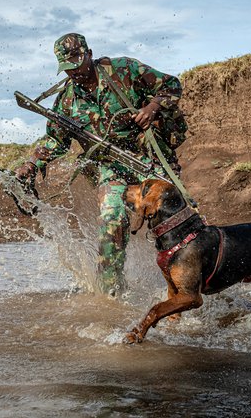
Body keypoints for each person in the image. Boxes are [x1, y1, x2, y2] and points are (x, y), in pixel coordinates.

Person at [16, 32, 187, 297]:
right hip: (111, 168)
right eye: (67, 69)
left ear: (89, 54)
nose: (74, 73)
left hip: (150, 158)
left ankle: (194, 282)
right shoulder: (67, 101)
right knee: (111, 222)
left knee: (176, 219)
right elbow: (55, 141)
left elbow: (172, 86)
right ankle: (112, 296)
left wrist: (151, 108)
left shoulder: (124, 70)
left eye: (77, 64)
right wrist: (31, 164)